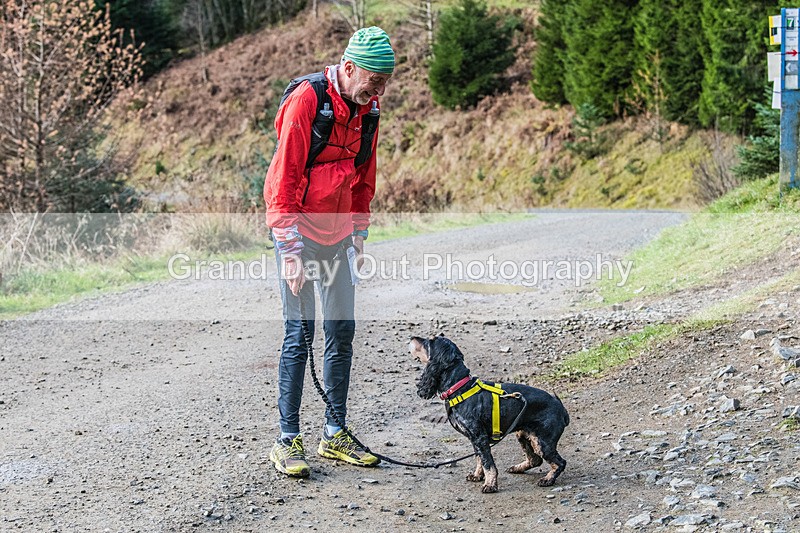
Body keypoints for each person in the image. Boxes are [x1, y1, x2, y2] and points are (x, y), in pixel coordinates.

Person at [263, 27, 394, 477]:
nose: (378, 90)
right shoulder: (308, 100)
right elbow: (283, 180)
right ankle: (287, 441)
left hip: (338, 235)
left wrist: (359, 233)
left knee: (341, 333)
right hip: (298, 232)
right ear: (349, 67)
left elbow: (364, 174)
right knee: (298, 337)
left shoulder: (369, 110)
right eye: (373, 79)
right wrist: (291, 250)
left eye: (385, 82)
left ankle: (334, 434)